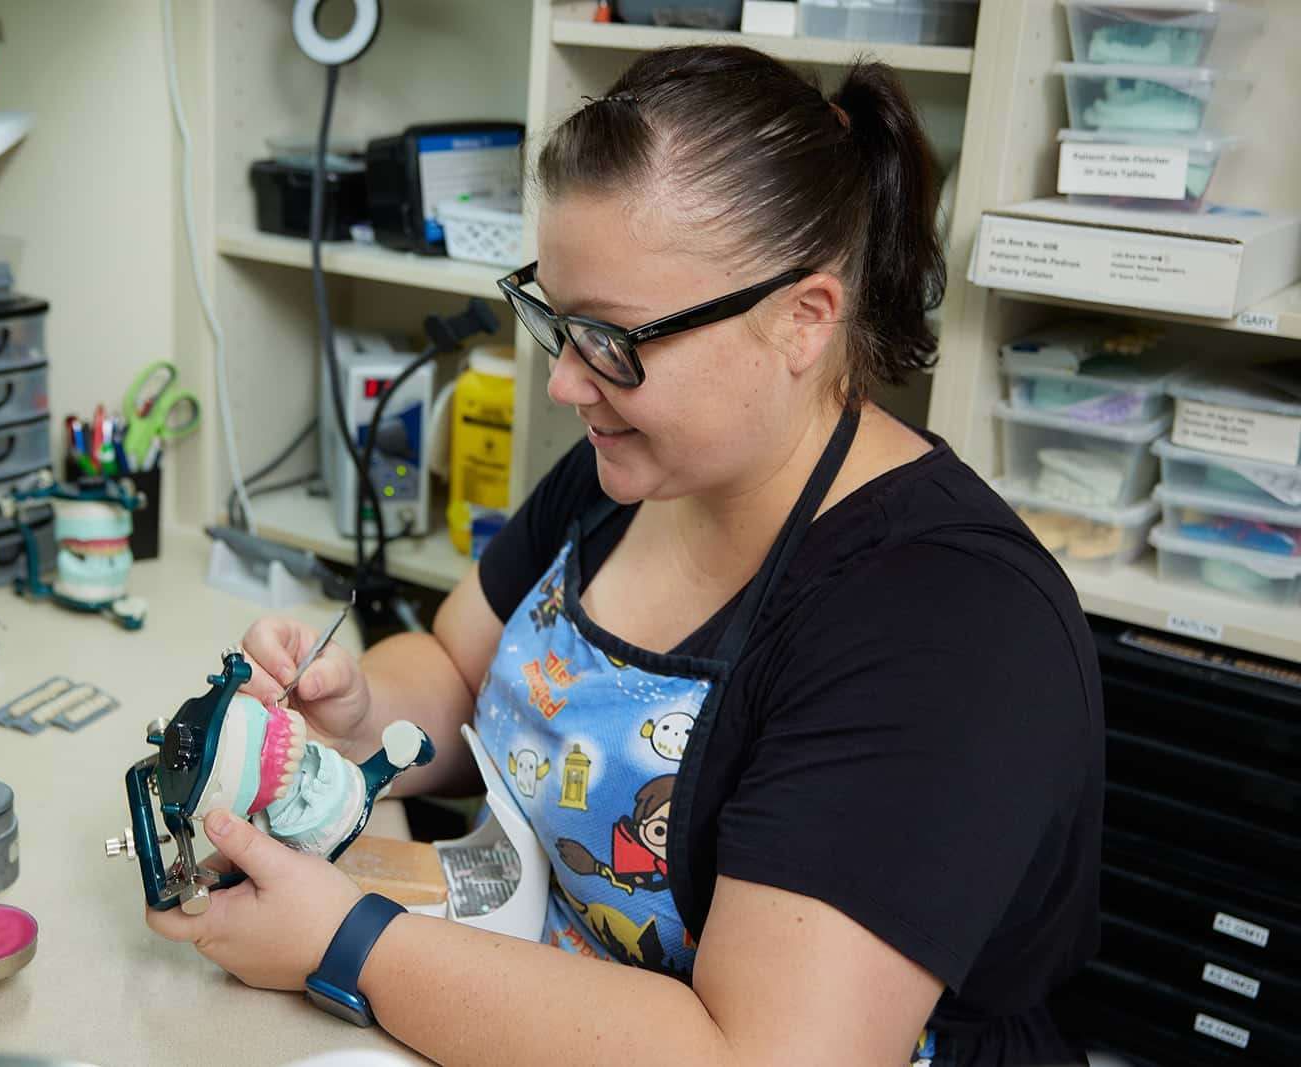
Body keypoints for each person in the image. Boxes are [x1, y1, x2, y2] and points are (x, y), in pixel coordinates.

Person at [147, 45, 1103, 1067]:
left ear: (803, 319)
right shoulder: (640, 466)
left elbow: (767, 1055)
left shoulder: (943, 624)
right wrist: (355, 714)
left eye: (611, 337)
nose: (566, 382)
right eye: (554, 317)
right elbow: (460, 666)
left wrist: (346, 944)